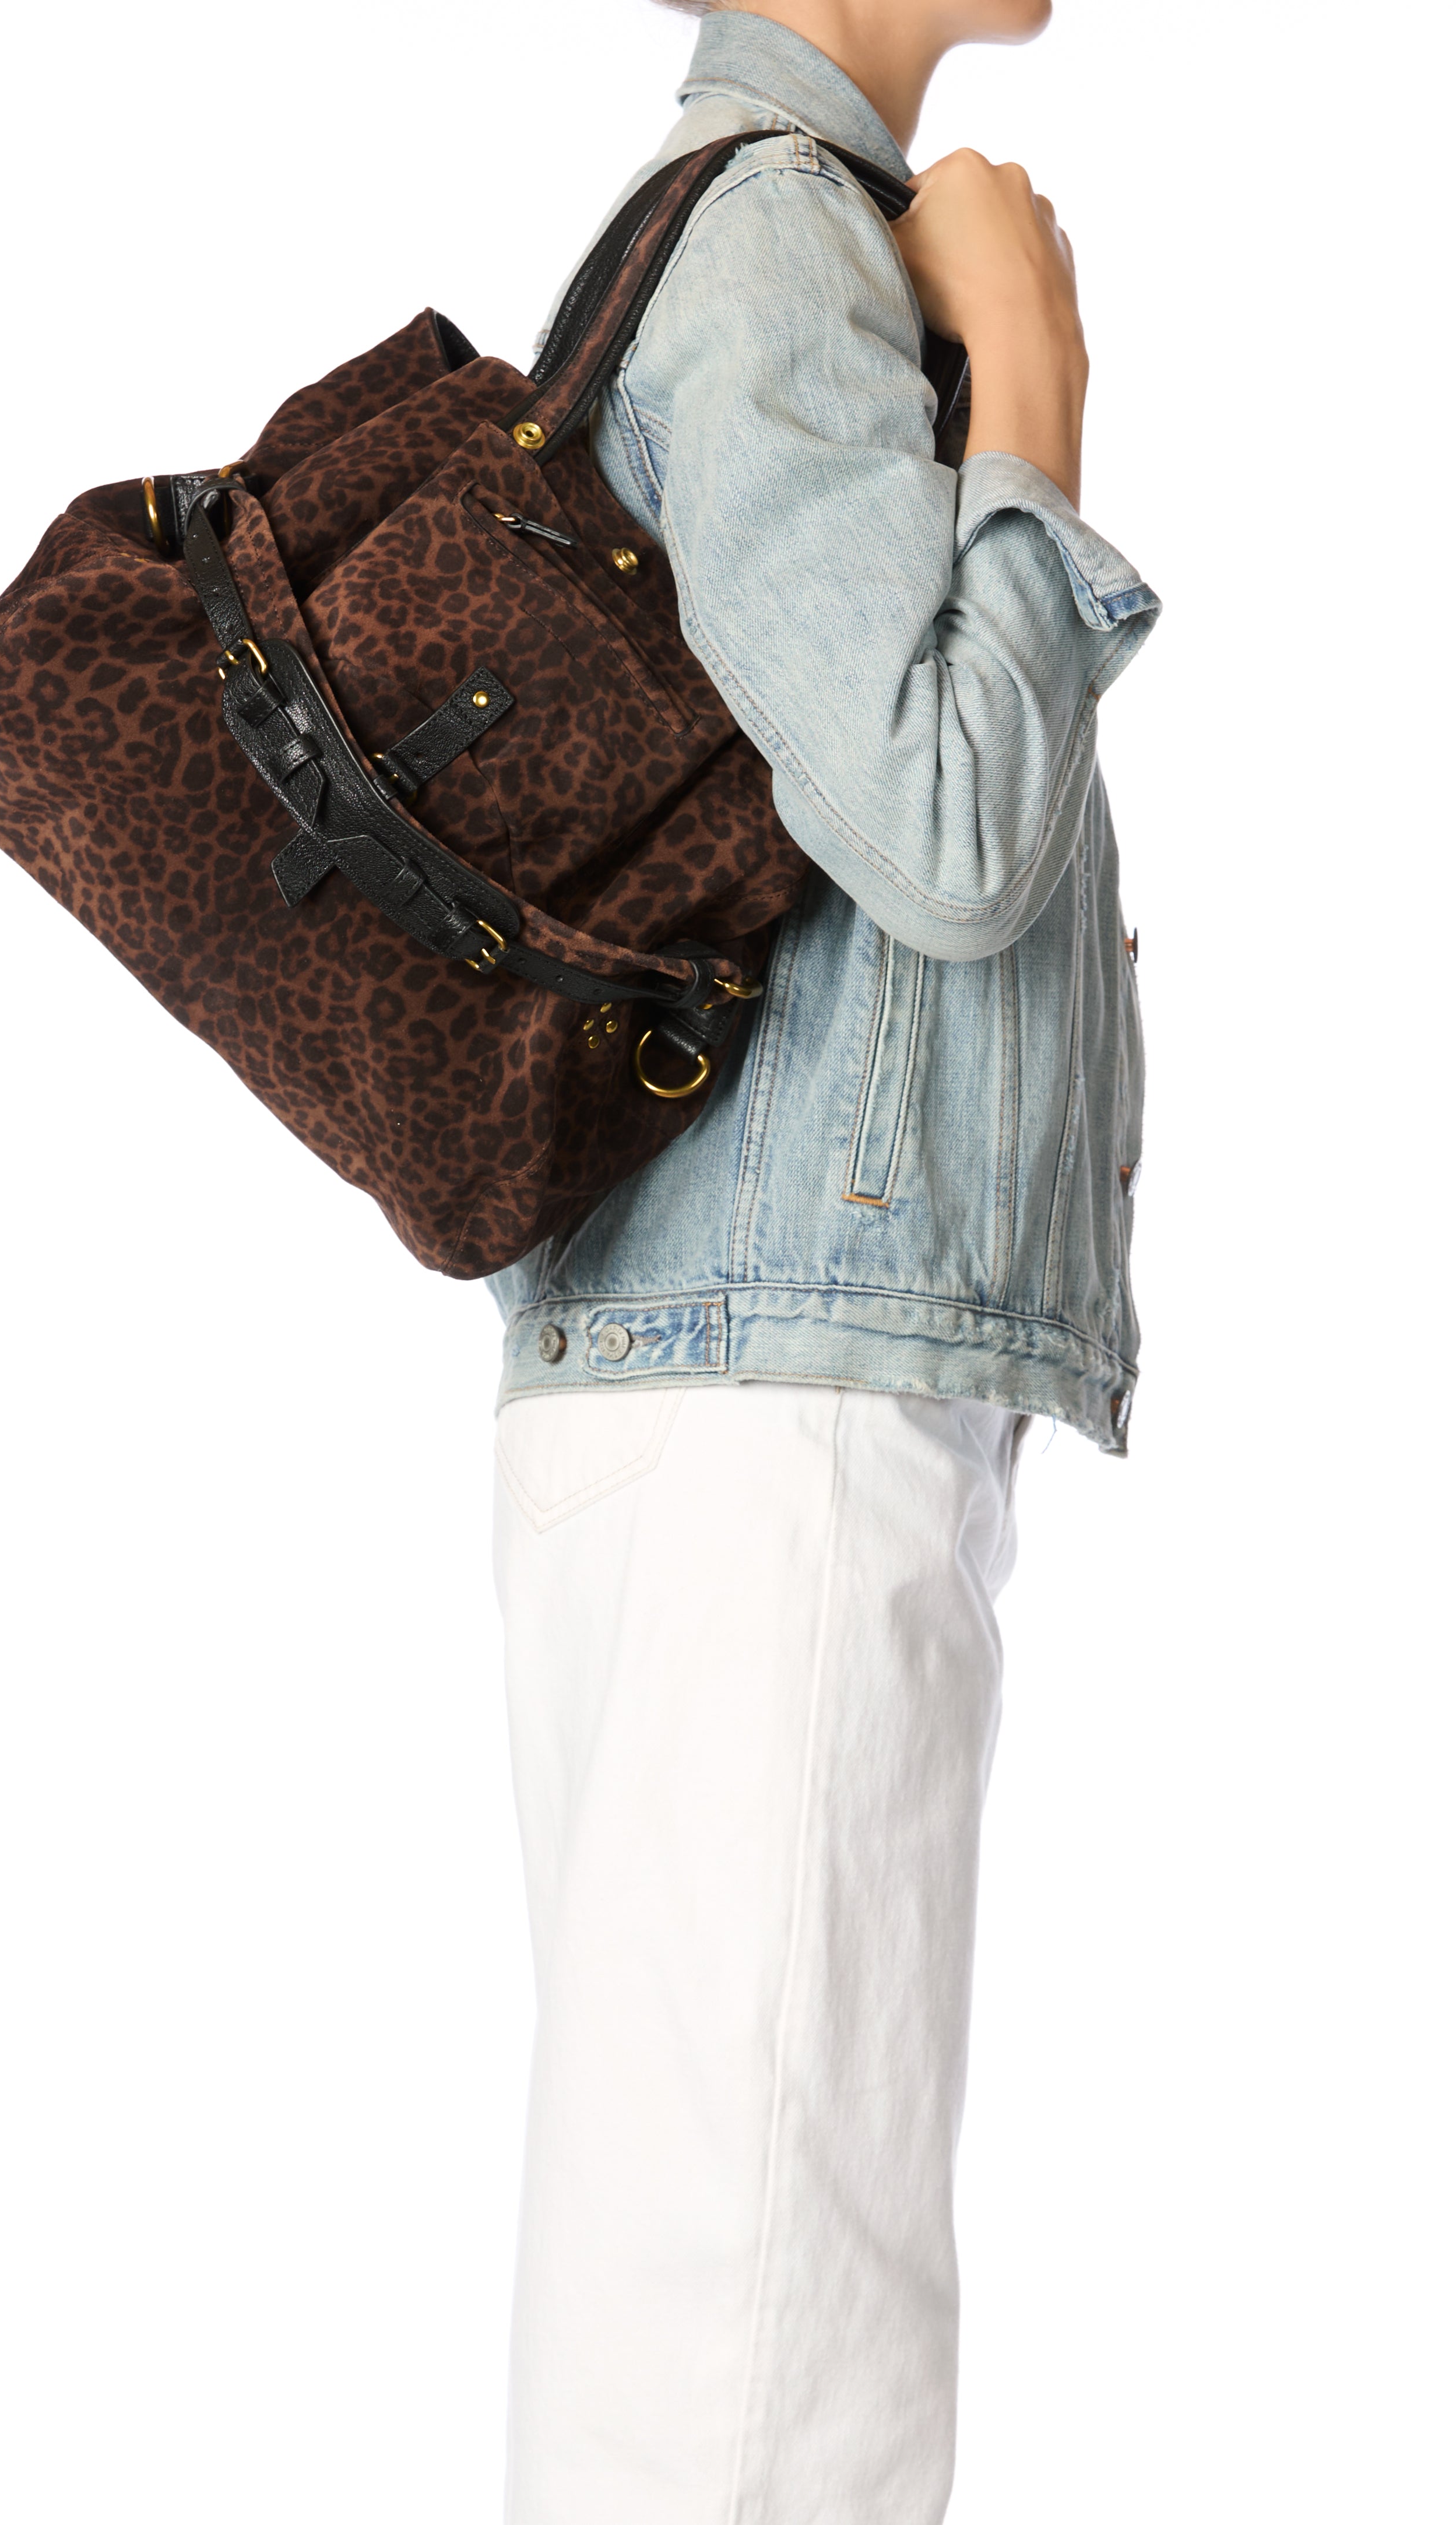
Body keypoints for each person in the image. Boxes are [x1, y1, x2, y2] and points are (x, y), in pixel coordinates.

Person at [486, 4, 1158, 2519]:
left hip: (741, 1369)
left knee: (723, 2289)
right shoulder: (774, 240)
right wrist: (1036, 395)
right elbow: (948, 826)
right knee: (763, 2331)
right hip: (772, 1400)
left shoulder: (785, 231)